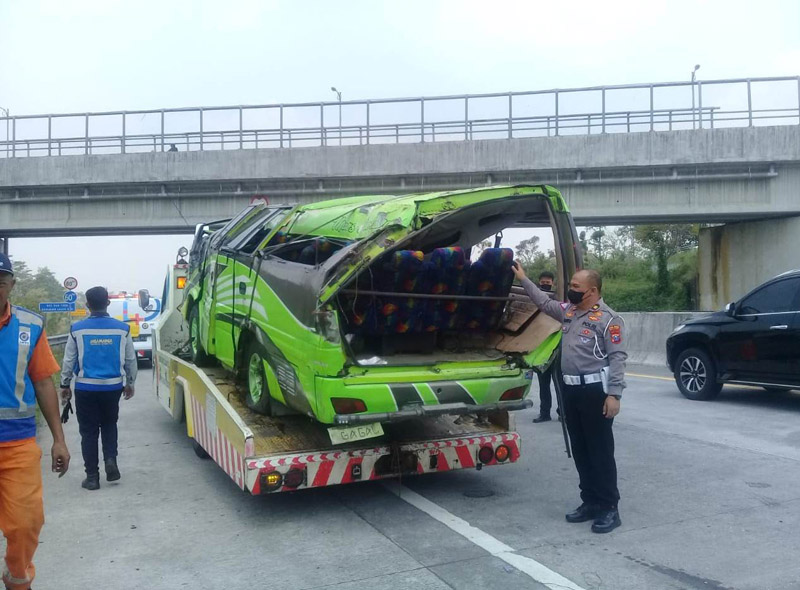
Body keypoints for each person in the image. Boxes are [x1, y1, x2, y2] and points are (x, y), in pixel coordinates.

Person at [513, 263, 627, 534]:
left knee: (599, 452)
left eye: (576, 287)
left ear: (593, 290)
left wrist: (614, 394)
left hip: (595, 393)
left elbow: (617, 358)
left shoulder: (609, 320)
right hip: (570, 391)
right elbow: (542, 301)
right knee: (580, 449)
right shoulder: (568, 312)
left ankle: (609, 507)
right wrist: (522, 278)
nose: (571, 291)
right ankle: (589, 502)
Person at [0, 253, 70, 590]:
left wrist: (59, 438)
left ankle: (17, 580)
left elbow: (43, 381)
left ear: (11, 285)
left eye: (0, 281)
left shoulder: (30, 326)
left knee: (26, 523)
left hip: (17, 444)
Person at [60, 286, 136, 491]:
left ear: (87, 305)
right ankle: (110, 460)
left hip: (86, 389)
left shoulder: (77, 329)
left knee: (89, 432)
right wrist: (130, 381)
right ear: (108, 303)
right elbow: (130, 358)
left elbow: (69, 360)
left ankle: (92, 477)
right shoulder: (122, 328)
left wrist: (65, 384)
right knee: (110, 425)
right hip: (112, 388)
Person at [532, 271, 560, 424]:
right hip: (542, 349)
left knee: (559, 384)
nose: (545, 283)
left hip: (556, 349)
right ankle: (545, 413)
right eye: (543, 281)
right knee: (544, 384)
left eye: (548, 281)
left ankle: (562, 412)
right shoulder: (536, 301)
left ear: (553, 283)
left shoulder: (557, 300)